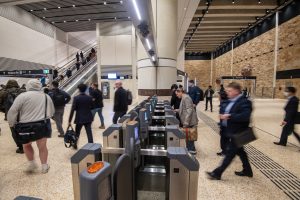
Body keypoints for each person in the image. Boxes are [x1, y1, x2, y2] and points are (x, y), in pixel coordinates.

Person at [207, 82, 253, 180]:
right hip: (230, 131)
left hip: (239, 133)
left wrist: (230, 116)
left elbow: (245, 116)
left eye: (229, 91)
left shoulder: (244, 102)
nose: (227, 92)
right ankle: (248, 170)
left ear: (236, 91)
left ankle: (217, 173)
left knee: (230, 154)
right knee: (241, 152)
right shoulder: (231, 100)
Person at [8, 79, 55, 173]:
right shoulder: (46, 96)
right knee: (42, 146)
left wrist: (11, 123)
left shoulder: (22, 96)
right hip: (42, 124)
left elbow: (13, 111)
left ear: (28, 86)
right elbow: (51, 111)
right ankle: (44, 166)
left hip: (24, 125)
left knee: (26, 145)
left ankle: (32, 163)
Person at [0, 80, 26, 153]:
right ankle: (26, 144)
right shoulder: (23, 91)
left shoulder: (3, 92)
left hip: (10, 115)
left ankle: (20, 147)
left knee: (14, 130)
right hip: (23, 114)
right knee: (24, 129)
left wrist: (5, 111)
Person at [69, 83, 94, 149]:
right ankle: (91, 145)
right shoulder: (89, 97)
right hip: (88, 117)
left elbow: (72, 109)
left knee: (77, 133)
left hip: (79, 118)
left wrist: (69, 120)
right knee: (89, 132)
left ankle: (75, 145)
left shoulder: (76, 98)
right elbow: (92, 107)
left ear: (79, 89)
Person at [175, 88, 198, 154]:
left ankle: (192, 152)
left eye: (177, 94)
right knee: (188, 138)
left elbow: (189, 111)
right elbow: (184, 109)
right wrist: (177, 110)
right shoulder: (184, 98)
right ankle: (190, 150)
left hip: (190, 122)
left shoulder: (186, 98)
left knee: (190, 138)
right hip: (189, 122)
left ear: (180, 92)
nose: (177, 95)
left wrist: (186, 122)